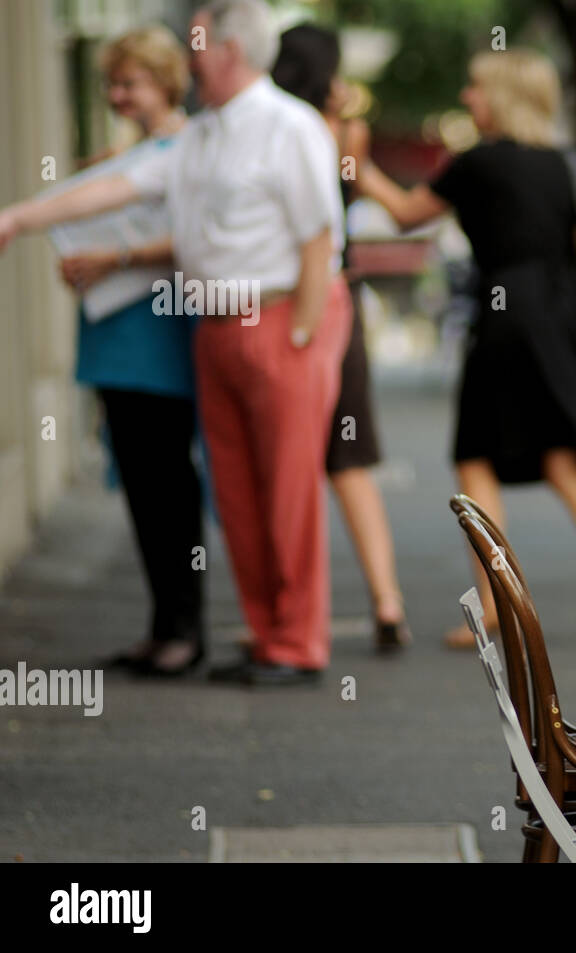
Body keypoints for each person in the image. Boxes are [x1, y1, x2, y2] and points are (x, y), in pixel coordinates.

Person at [0, 0, 352, 686]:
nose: (189, 58)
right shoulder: (203, 136)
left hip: (277, 319)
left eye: (196, 45)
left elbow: (320, 238)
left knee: (286, 490)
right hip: (216, 327)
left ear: (229, 50)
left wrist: (305, 335)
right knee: (240, 490)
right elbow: (113, 189)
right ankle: (266, 631)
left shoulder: (290, 126)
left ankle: (298, 642)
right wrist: (20, 217)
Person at [354, 48, 576, 652]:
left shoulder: (478, 163)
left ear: (504, 96)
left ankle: (497, 609)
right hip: (560, 314)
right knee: (567, 461)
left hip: (505, 313)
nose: (467, 98)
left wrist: (357, 162)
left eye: (476, 88)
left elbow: (407, 213)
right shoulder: (562, 163)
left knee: (475, 458)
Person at [54, 26, 203, 676]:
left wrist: (110, 254)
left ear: (165, 82)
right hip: (117, 332)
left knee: (167, 480)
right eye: (112, 84)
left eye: (129, 84)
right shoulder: (127, 155)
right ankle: (163, 622)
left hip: (157, 335)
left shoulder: (191, 148)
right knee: (142, 481)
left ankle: (184, 627)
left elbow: (196, 238)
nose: (117, 95)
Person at [271, 23, 411, 651]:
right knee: (350, 460)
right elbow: (381, 197)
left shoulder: (274, 131)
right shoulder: (345, 133)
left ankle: (291, 611)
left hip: (279, 300)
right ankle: (387, 600)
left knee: (286, 461)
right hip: (341, 300)